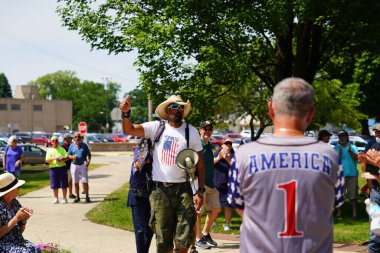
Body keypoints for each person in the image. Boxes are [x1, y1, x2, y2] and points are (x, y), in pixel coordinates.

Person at [228, 77, 344, 253]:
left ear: (270, 109)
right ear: (311, 113)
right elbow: (334, 204)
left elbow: (238, 206)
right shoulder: (330, 156)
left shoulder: (244, 155)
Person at [119, 94, 205, 253]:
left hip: (183, 189)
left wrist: (200, 191)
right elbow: (129, 129)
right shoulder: (156, 127)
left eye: (181, 107)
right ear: (167, 110)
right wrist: (125, 114)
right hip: (160, 191)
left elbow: (200, 162)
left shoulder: (191, 131)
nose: (178, 110)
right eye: (174, 106)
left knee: (185, 235)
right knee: (163, 239)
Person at [192, 121, 221, 250]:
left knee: (216, 209)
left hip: (211, 184)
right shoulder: (198, 145)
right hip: (200, 184)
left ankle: (205, 233)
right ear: (200, 130)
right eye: (205, 129)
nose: (207, 131)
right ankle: (198, 239)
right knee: (198, 212)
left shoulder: (209, 145)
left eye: (210, 129)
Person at [0, 172, 40, 252]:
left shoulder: (15, 203)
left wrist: (23, 221)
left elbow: (19, 231)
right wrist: (16, 218)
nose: (19, 188)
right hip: (3, 243)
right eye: (18, 187)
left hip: (17, 241)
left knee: (36, 249)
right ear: (10, 190)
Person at [126, 147, 153, 253]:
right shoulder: (138, 153)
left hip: (149, 197)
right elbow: (137, 164)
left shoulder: (153, 158)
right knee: (140, 230)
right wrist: (147, 158)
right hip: (136, 197)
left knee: (150, 229)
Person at [358, 125, 380, 253]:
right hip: (376, 192)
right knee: (376, 233)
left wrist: (375, 164)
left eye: (379, 132)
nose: (377, 135)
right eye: (376, 132)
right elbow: (364, 169)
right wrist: (364, 161)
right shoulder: (373, 146)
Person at [334, 130, 359, 219]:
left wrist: (350, 152)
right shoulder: (336, 148)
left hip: (352, 174)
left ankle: (354, 214)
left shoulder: (352, 146)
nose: (342, 138)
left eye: (343, 136)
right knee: (339, 195)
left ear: (347, 137)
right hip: (340, 175)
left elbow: (357, 159)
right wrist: (339, 155)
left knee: (353, 195)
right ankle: (339, 213)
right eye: (340, 137)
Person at [213, 139, 235, 232]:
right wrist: (219, 158)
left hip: (228, 184)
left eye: (230, 144)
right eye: (226, 144)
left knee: (227, 206)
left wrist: (227, 159)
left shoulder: (234, 155)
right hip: (216, 183)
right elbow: (211, 163)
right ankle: (213, 222)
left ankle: (227, 224)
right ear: (222, 145)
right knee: (214, 205)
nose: (228, 146)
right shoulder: (216, 153)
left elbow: (235, 166)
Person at [68, 132, 92, 203]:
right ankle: (77, 197)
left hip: (82, 165)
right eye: (75, 137)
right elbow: (68, 156)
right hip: (74, 165)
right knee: (75, 182)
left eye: (78, 136)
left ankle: (87, 196)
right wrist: (72, 157)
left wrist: (88, 161)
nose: (77, 138)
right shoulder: (71, 146)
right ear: (74, 138)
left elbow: (89, 155)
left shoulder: (84, 145)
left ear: (80, 138)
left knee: (85, 181)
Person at [45, 136, 69, 204]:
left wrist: (62, 159)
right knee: (54, 184)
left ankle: (64, 198)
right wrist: (55, 158)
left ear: (58, 142)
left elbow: (67, 157)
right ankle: (56, 198)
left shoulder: (62, 149)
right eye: (53, 141)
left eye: (56, 141)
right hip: (53, 168)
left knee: (64, 184)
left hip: (62, 168)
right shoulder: (49, 150)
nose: (55, 142)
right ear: (51, 142)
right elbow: (47, 160)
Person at [61, 133, 75, 199]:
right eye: (70, 138)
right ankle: (65, 195)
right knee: (66, 181)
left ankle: (70, 193)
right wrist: (68, 156)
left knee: (70, 180)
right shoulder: (62, 146)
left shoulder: (72, 145)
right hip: (65, 166)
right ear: (66, 138)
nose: (71, 139)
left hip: (71, 165)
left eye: (71, 138)